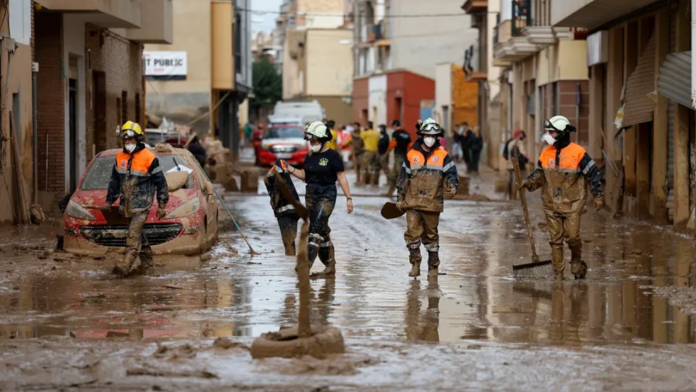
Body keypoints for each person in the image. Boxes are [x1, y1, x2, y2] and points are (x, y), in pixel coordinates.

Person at [519, 116, 604, 280]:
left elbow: (592, 174)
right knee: (555, 241)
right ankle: (559, 276)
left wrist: (598, 195)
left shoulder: (578, 153)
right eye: (549, 132)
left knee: (572, 237)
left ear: (563, 132)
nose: (549, 135)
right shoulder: (546, 153)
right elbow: (540, 174)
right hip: (551, 203)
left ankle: (576, 259)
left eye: (552, 132)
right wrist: (527, 182)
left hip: (573, 203)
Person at [285, 121, 354, 277]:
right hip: (311, 195)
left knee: (315, 228)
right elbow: (304, 175)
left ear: (323, 139)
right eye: (310, 140)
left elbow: (341, 177)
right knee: (322, 230)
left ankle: (305, 264)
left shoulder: (333, 156)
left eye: (314, 140)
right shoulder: (309, 156)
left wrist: (348, 198)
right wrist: (288, 168)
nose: (311, 143)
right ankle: (330, 266)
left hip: (327, 195)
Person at [105, 121, 169, 277]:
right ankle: (148, 266)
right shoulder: (119, 157)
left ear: (138, 139)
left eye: (131, 140)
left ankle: (124, 267)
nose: (128, 143)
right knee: (140, 234)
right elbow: (114, 182)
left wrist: (162, 205)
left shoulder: (149, 158)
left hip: (143, 204)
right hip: (126, 205)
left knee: (132, 235)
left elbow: (161, 182)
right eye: (125, 140)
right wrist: (108, 201)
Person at [397, 118, 458, 278]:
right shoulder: (411, 155)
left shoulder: (443, 155)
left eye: (434, 135)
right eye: (427, 135)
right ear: (422, 135)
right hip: (412, 203)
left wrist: (453, 186)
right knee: (411, 234)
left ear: (437, 136)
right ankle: (415, 263)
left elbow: (451, 174)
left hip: (433, 203)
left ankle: (433, 267)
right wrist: (400, 196)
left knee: (431, 237)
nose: (431, 138)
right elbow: (403, 177)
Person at [264, 159, 300, 256]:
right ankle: (291, 258)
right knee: (290, 239)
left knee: (288, 241)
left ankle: (290, 258)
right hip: (293, 212)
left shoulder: (277, 180)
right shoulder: (287, 180)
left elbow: (275, 197)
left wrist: (273, 203)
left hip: (285, 213)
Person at [386, 120, 412, 197]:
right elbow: (410, 145)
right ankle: (390, 193)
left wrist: (387, 152)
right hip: (404, 156)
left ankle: (406, 193)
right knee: (394, 175)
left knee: (400, 175)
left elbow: (393, 143)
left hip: (398, 156)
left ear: (394, 125)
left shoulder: (395, 133)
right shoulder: (407, 134)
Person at [504, 130, 529, 200]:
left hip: (509, 164)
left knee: (511, 180)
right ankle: (520, 197)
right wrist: (529, 159)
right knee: (522, 180)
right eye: (521, 135)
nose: (522, 136)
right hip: (517, 165)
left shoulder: (510, 143)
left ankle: (510, 196)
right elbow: (523, 152)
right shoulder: (519, 143)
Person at [359, 121, 380, 185]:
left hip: (368, 152)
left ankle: (362, 181)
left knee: (363, 167)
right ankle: (372, 182)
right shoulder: (377, 133)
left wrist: (363, 130)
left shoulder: (366, 133)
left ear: (367, 126)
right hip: (376, 152)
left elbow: (360, 137)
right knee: (373, 167)